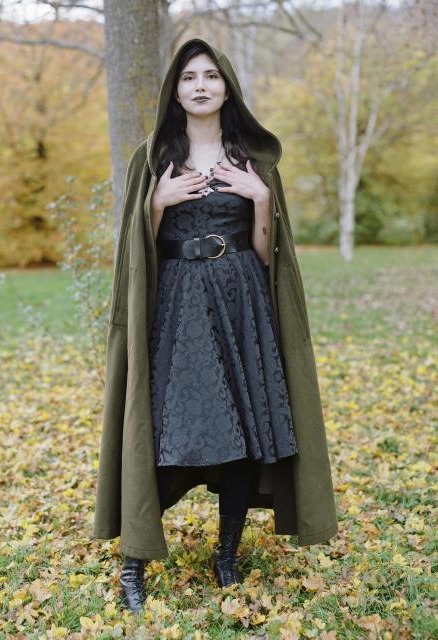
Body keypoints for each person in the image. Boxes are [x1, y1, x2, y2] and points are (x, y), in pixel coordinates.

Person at [92, 38, 338, 614]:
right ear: (174, 91)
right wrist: (157, 204)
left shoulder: (251, 157)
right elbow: (136, 253)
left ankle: (227, 555)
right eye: (188, 78)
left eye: (210, 76)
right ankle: (135, 558)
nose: (199, 86)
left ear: (227, 85)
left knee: (242, 431)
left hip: (240, 300)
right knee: (165, 432)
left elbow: (266, 253)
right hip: (178, 306)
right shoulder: (153, 156)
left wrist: (258, 200)